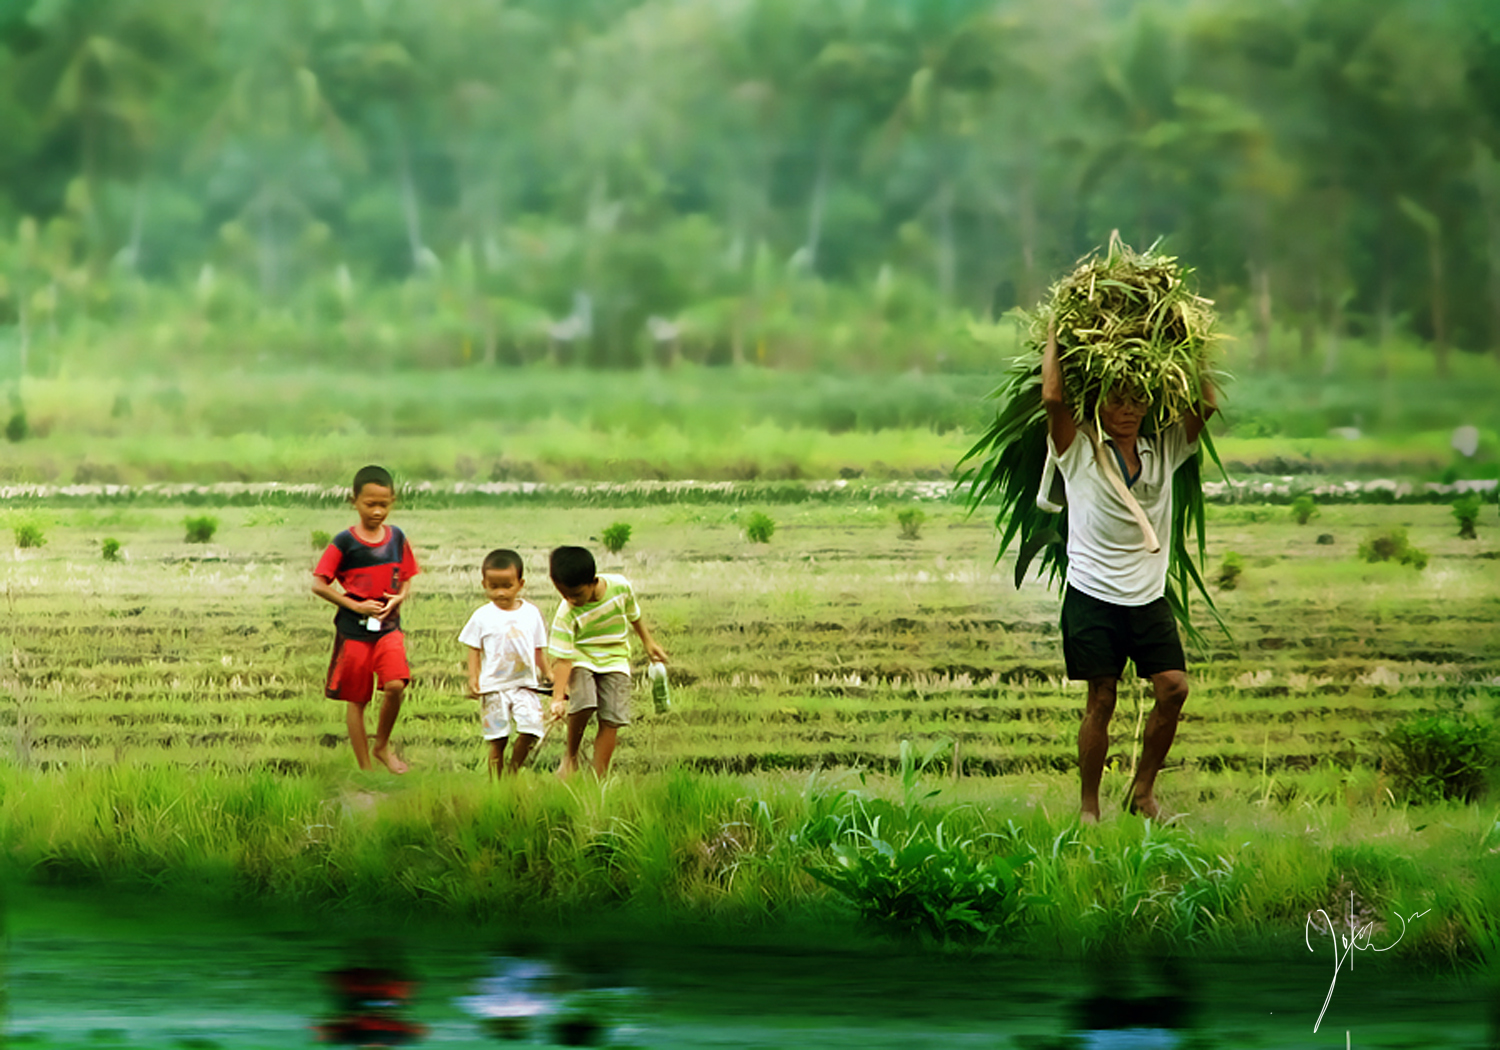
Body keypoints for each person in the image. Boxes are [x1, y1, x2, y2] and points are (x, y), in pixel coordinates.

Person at [1042, 322, 1215, 822]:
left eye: (1137, 400)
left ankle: (1142, 793)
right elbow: (1053, 399)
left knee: (1174, 688)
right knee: (1102, 698)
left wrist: (1191, 340)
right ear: (1100, 404)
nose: (1128, 410)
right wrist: (1054, 334)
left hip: (1147, 596)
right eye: (1118, 399)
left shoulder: (1165, 448)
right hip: (1092, 593)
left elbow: (1205, 404)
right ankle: (1089, 807)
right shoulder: (1077, 449)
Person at [312, 464, 419, 774]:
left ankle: (381, 746)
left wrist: (399, 597)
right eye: (370, 504)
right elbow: (318, 584)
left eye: (383, 504)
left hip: (388, 626)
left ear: (392, 502)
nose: (377, 511)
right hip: (353, 630)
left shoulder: (397, 538)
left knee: (396, 685)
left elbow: (407, 576)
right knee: (357, 700)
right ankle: (366, 770)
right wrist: (355, 607)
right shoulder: (344, 542)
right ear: (354, 501)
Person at [546, 545, 667, 777]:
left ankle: (598, 777)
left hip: (616, 658)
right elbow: (563, 659)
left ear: (593, 581)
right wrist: (558, 697)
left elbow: (634, 615)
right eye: (564, 594)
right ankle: (571, 757)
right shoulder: (566, 611)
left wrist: (648, 643)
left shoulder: (620, 587)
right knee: (585, 702)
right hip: (581, 657)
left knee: (612, 718)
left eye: (576, 594)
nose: (570, 600)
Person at [458, 548, 551, 778]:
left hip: (526, 685)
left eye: (507, 586)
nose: (500, 592)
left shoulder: (531, 613)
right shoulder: (482, 616)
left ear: (520, 584)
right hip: (493, 687)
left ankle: (512, 772)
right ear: (484, 584)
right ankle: (496, 786)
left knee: (532, 729)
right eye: (493, 586)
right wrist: (473, 677)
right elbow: (474, 649)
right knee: (497, 739)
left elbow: (538, 649)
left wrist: (548, 673)